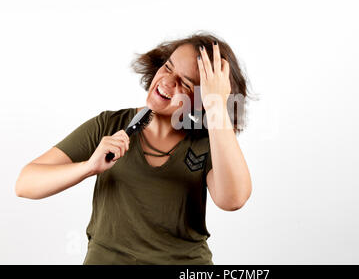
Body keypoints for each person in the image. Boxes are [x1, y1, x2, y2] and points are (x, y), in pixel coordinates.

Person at [15, 32, 253, 265]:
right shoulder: (109, 125)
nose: (167, 82)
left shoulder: (210, 143)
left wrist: (216, 108)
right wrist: (88, 168)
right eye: (168, 68)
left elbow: (232, 199)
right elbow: (25, 183)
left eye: (186, 83)